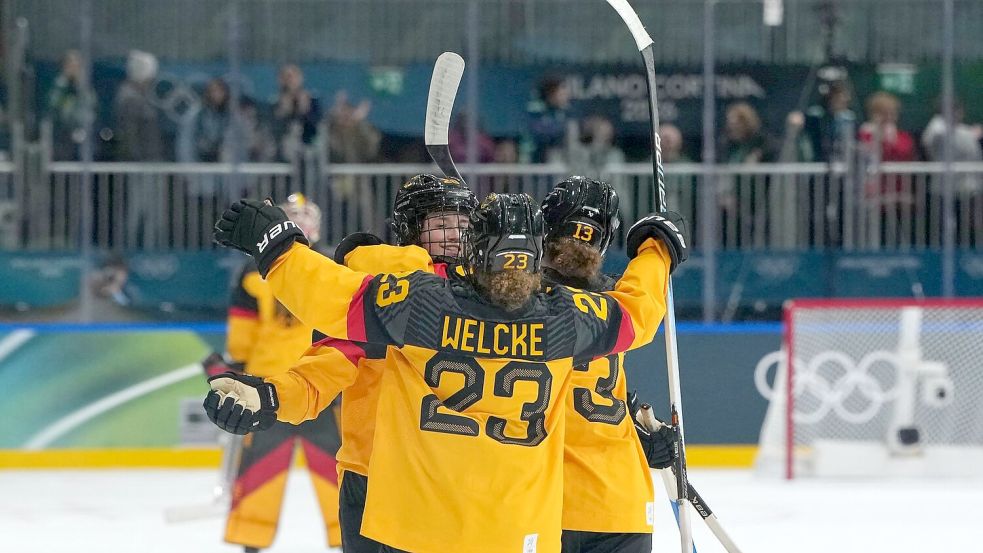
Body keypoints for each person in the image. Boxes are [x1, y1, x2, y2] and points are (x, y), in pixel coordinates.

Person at [205, 189, 688, 552]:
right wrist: (657, 250)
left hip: (414, 524)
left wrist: (280, 246)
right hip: (516, 531)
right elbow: (637, 313)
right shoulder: (565, 316)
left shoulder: (421, 304)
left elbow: (330, 297)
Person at [257, 174, 478, 552]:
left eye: (463, 224)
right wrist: (269, 395)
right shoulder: (488, 296)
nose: (455, 235)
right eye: (441, 224)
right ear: (412, 229)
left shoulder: (378, 288)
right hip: (379, 475)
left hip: (451, 481)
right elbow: (328, 366)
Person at [540, 177, 676, 553]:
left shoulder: (520, 308)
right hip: (621, 506)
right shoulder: (612, 303)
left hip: (547, 507)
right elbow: (640, 307)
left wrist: (634, 431)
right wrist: (657, 251)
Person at [220, 193, 342, 553]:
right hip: (296, 385)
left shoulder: (258, 267)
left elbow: (241, 336)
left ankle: (346, 539)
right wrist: (240, 369)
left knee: (337, 472)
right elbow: (243, 329)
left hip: (302, 386)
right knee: (266, 471)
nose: (303, 222)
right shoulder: (334, 264)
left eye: (306, 215)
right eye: (296, 216)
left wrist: (240, 366)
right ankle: (254, 541)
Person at [47, 50, 96, 161]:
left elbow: (91, 106)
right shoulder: (59, 87)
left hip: (84, 138)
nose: (74, 69)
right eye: (71, 65)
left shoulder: (85, 88)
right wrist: (66, 86)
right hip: (62, 138)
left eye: (77, 65)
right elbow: (54, 107)